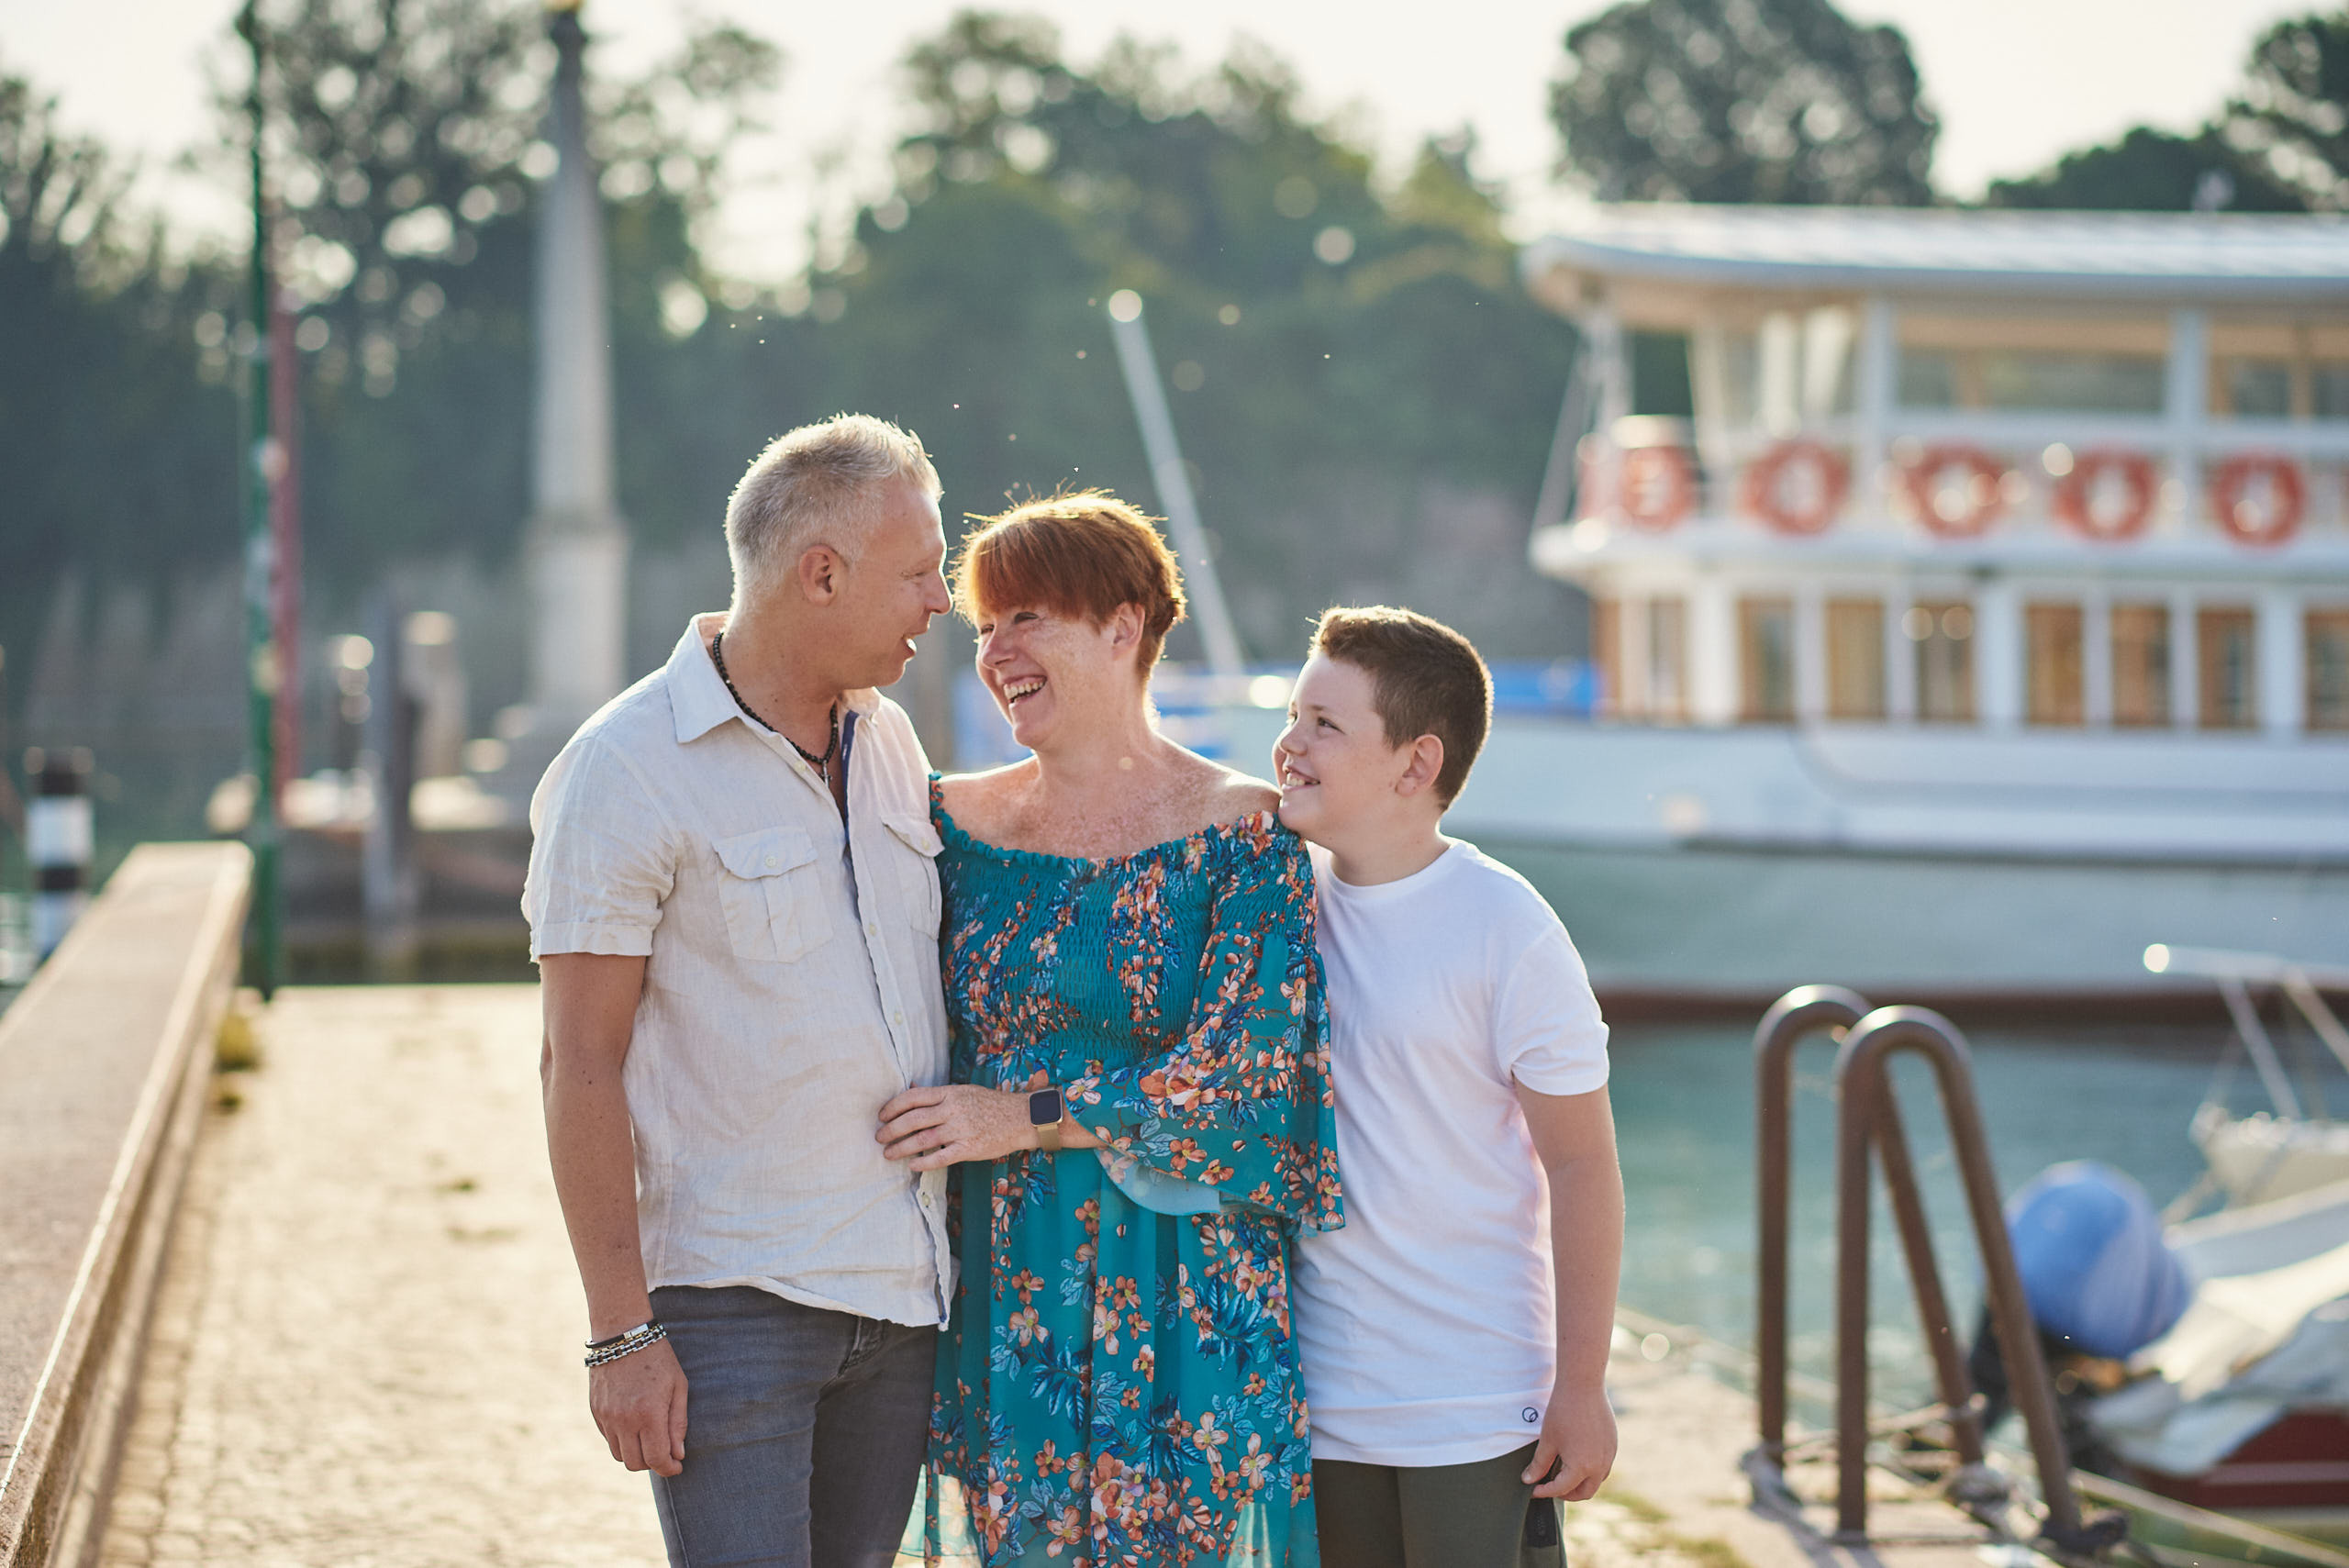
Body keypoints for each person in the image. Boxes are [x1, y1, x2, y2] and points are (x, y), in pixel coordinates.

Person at [873, 492, 1343, 1568]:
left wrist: (1023, 1114)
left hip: (1181, 1275)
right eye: (985, 625)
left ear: (1123, 626)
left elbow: (1247, 1074)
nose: (996, 650)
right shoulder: (940, 822)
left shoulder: (1243, 833)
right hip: (1002, 1268)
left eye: (1027, 616)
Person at [527, 414, 957, 1568]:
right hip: (735, 1304)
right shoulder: (623, 769)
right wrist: (621, 1333)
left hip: (903, 1295)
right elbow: (578, 1063)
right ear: (821, 573)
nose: (942, 599)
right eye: (919, 571)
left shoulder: (890, 741)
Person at [1272, 606, 1623, 1568]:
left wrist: (1581, 1386)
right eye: (1294, 714)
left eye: (1324, 724)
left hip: (1475, 1407)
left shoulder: (1505, 924)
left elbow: (1582, 1161)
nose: (1288, 743)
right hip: (1320, 1402)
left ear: (1414, 763)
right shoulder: (1276, 904)